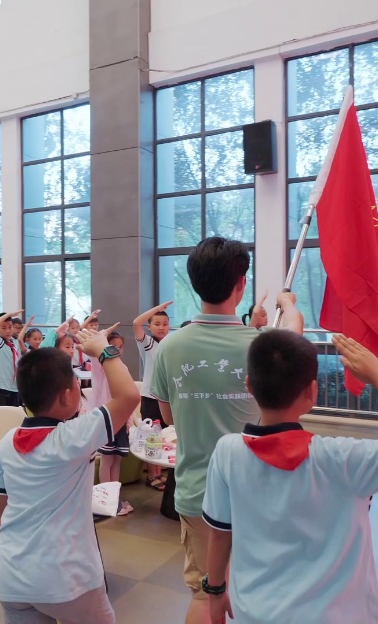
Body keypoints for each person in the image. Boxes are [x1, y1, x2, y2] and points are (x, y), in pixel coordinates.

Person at [202, 332, 378, 624]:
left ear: (249, 385)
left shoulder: (227, 452)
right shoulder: (344, 458)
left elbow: (220, 533)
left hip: (254, 613)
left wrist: (215, 592)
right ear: (313, 391)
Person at [149, 237, 303, 624]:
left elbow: (169, 418)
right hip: (257, 492)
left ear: (194, 282)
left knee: (206, 595)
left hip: (196, 491)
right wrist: (289, 307)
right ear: (241, 284)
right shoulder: (261, 347)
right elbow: (294, 345)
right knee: (261, 593)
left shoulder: (170, 347)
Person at [0, 326, 138, 624]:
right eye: (75, 383)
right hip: (69, 580)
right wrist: (104, 350)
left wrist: (6, 551)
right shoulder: (74, 436)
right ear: (65, 397)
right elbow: (129, 395)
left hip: (12, 576)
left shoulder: (6, 442)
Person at [90, 331, 132, 516]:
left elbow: (128, 396)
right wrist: (101, 337)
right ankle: (105, 502)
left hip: (120, 420)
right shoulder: (101, 367)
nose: (118, 350)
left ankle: (114, 499)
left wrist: (128, 420)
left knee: (116, 460)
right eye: (114, 347)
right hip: (106, 419)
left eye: (121, 347)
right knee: (107, 460)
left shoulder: (123, 368)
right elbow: (94, 355)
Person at [133, 302, 171, 491]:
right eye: (157, 323)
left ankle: (158, 472)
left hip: (165, 397)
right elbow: (136, 323)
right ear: (149, 326)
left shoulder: (169, 345)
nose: (161, 327)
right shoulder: (147, 343)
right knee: (151, 436)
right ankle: (152, 475)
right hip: (150, 396)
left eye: (165, 324)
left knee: (162, 435)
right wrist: (156, 309)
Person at [0, 311, 29, 407]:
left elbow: (20, 339)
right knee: (0, 414)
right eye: (3, 328)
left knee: (14, 414)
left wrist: (27, 325)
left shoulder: (14, 343)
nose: (7, 331)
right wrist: (9, 315)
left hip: (14, 387)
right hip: (0, 386)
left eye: (10, 327)